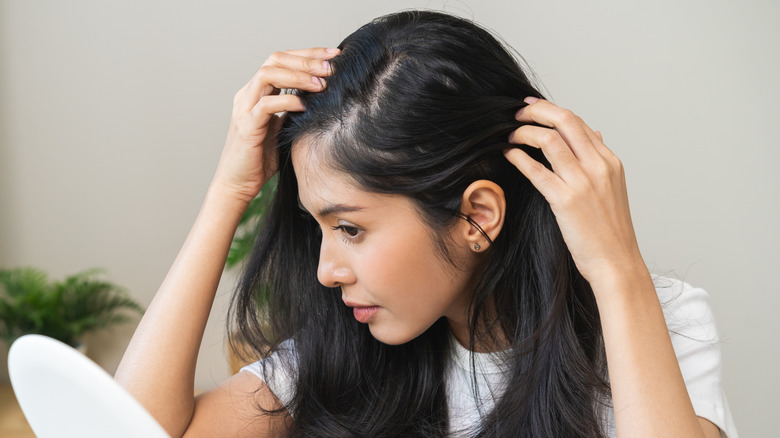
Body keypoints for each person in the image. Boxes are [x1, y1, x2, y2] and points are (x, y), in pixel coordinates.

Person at [115, 10, 737, 438]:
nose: (326, 271)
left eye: (351, 229)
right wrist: (229, 191)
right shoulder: (341, 351)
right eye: (320, 228)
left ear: (477, 216)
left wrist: (615, 269)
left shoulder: (658, 324)